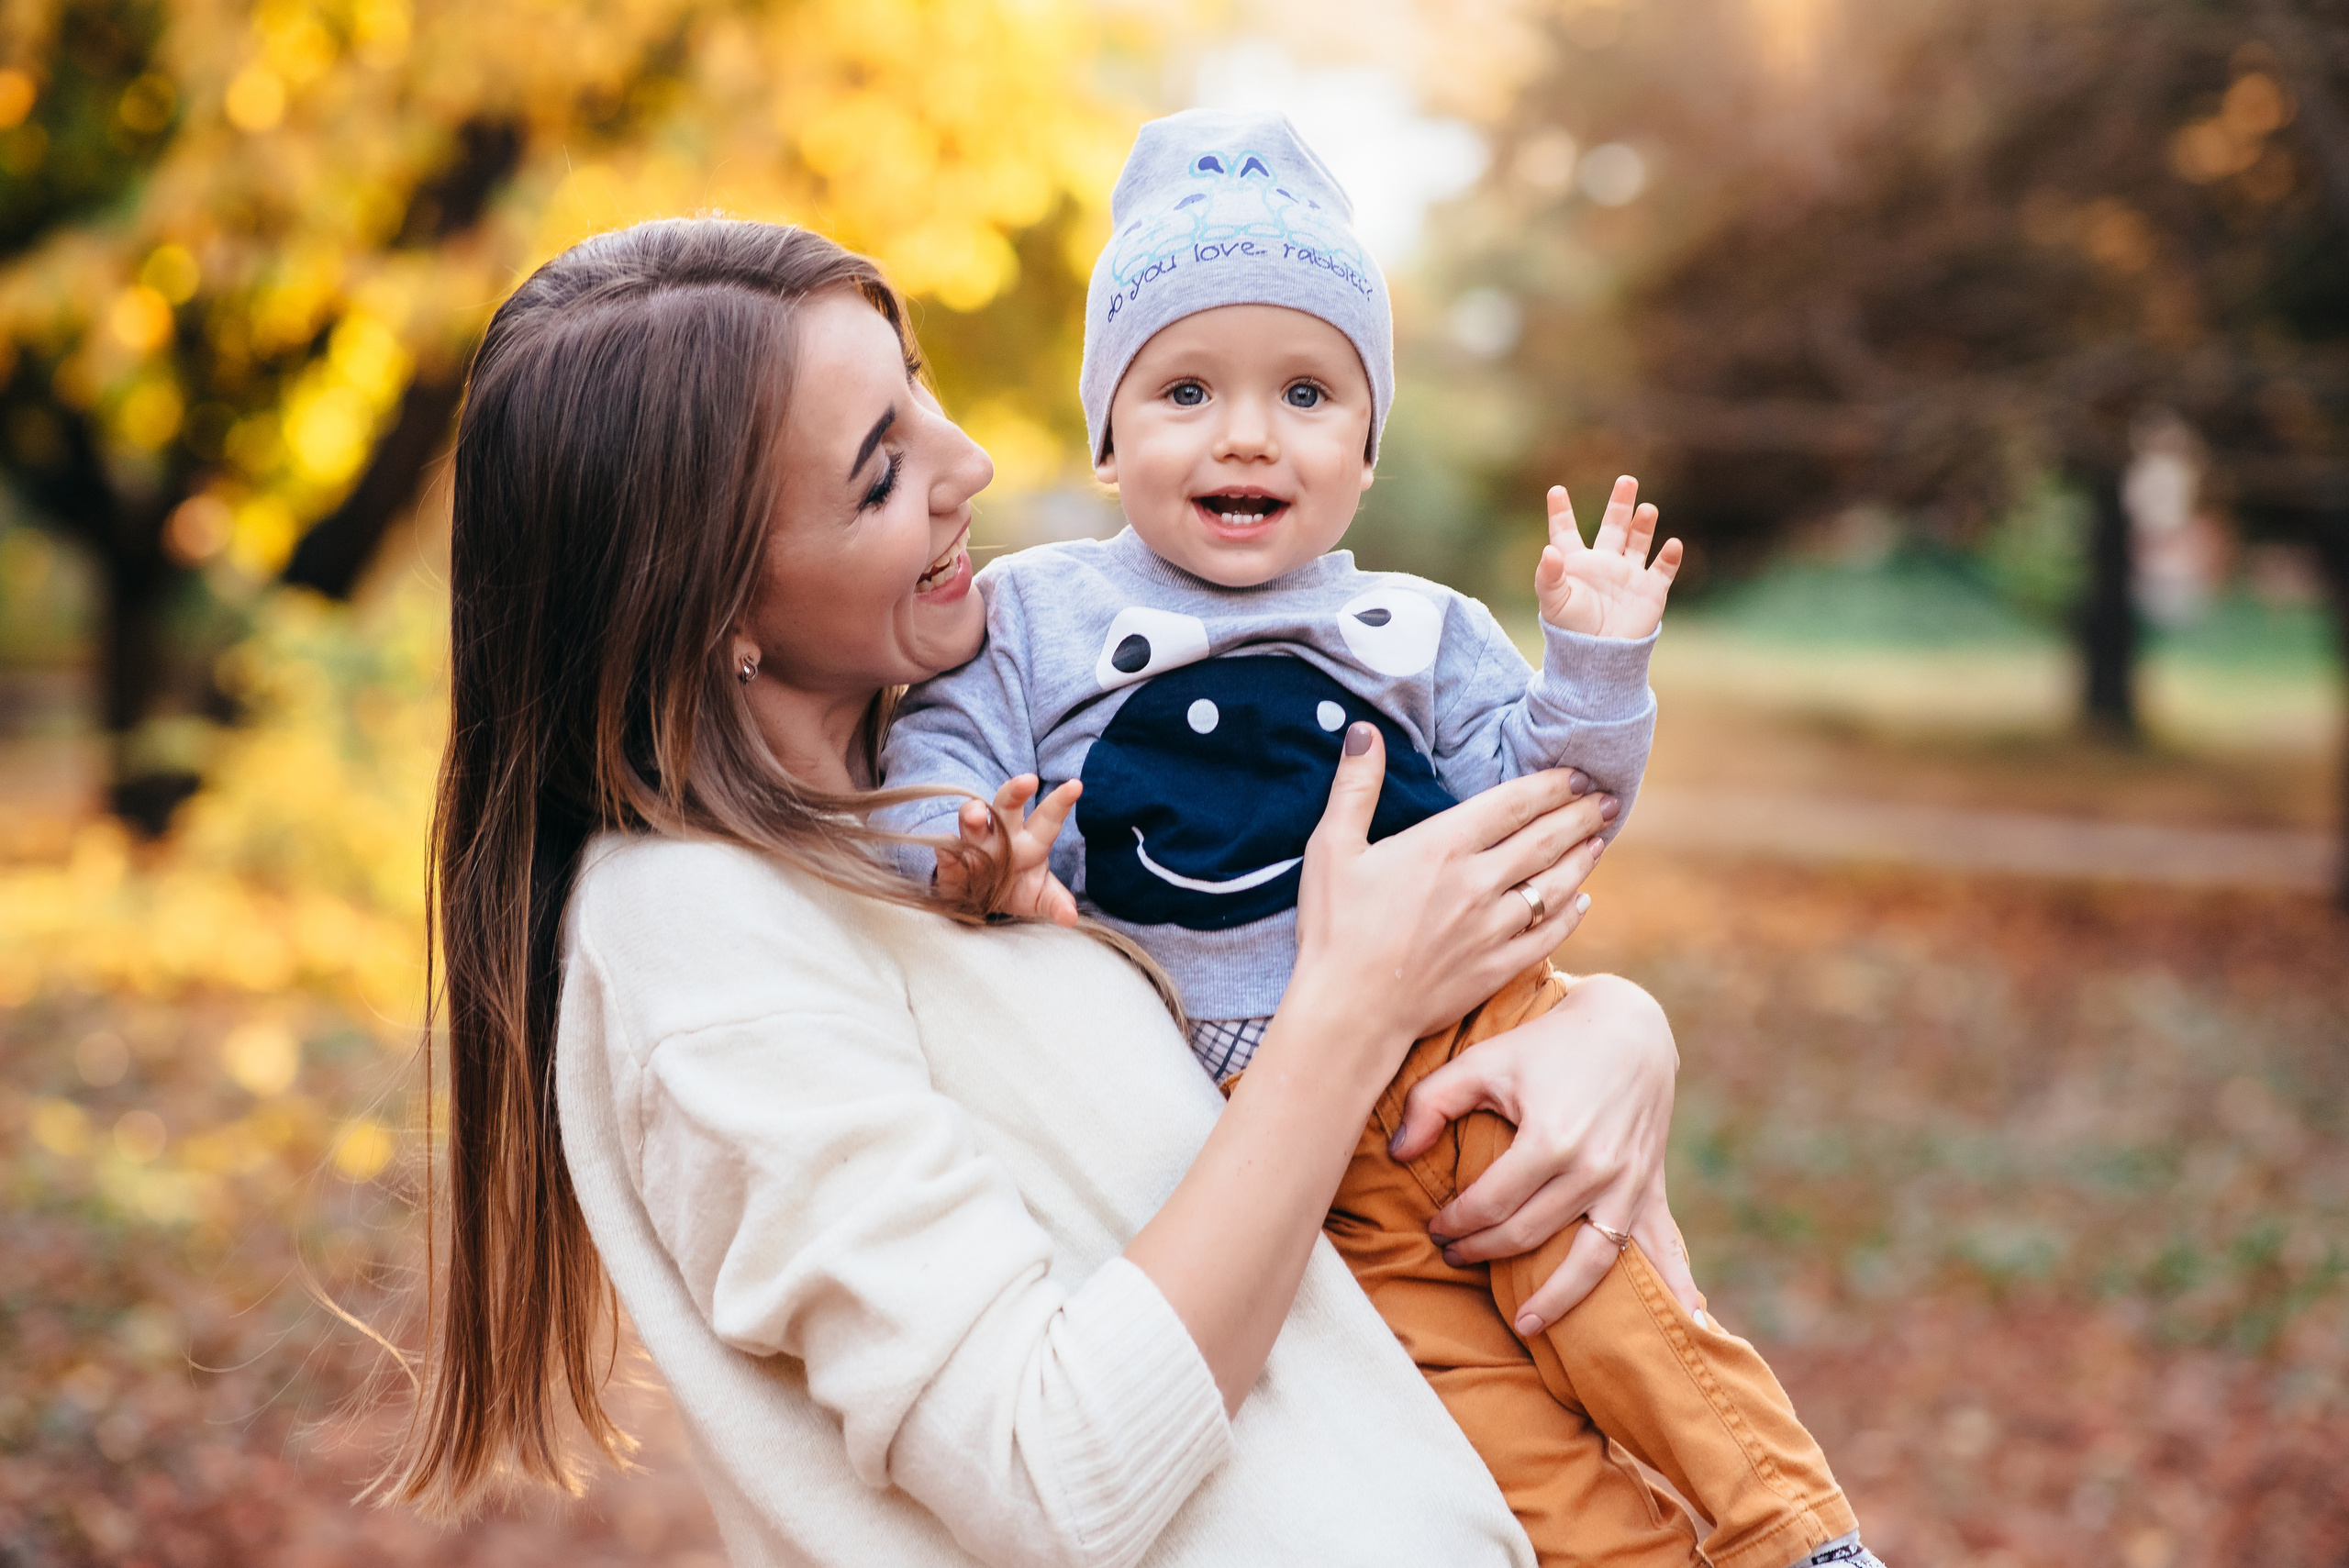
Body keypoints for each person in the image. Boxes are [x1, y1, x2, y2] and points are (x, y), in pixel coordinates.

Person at [378, 215, 1702, 1568]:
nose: (970, 466)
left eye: (921, 390)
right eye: (880, 473)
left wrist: (1607, 1028)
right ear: (717, 606)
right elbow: (1055, 1477)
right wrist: (1354, 1003)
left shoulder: (957, 821)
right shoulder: (694, 933)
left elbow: (1244, 1146)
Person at [875, 110, 1877, 1568]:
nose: (1246, 433)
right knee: (1486, 1426)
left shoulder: (1416, 630)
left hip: (1457, 1059)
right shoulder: (1034, 621)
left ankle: (1794, 1535)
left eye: (1305, 391)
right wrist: (976, 859)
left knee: (1614, 1307)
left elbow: (1549, 815)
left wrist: (1595, 673)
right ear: (1106, 435)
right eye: (1183, 390)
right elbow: (934, 770)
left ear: (1363, 450)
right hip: (1264, 1150)